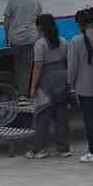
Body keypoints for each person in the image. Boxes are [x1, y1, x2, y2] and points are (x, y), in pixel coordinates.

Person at [24, 12, 71, 159]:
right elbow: (67, 61)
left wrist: (32, 88)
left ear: (40, 27)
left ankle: (38, 149)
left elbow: (38, 67)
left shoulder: (40, 44)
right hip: (62, 77)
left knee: (41, 116)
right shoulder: (63, 41)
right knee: (61, 116)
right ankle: (64, 149)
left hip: (46, 79)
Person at [69, 7, 93, 163]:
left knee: (89, 119)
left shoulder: (75, 41)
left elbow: (73, 67)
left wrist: (70, 85)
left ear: (80, 24)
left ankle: (92, 151)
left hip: (84, 87)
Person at [4, 0, 42, 82]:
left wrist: (7, 38)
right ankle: (24, 93)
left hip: (15, 39)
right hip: (31, 39)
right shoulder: (37, 2)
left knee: (17, 65)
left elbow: (6, 22)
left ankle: (19, 89)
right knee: (27, 67)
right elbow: (39, 24)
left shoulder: (13, 0)